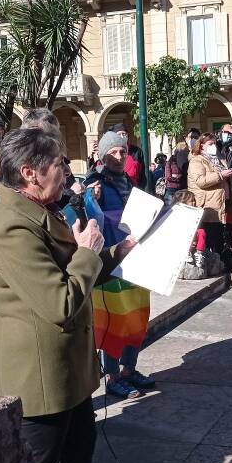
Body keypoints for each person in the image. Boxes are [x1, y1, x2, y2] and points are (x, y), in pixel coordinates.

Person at [0, 128, 133, 463]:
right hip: (39, 381)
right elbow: (60, 302)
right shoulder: (13, 227)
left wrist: (120, 252)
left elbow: (76, 276)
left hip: (70, 373)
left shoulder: (41, 209)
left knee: (79, 460)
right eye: (58, 165)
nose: (66, 172)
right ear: (29, 173)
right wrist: (86, 251)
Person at [87, 132, 154, 400]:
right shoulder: (95, 182)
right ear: (103, 156)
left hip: (136, 260)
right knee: (114, 322)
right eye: (113, 153)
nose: (118, 157)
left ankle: (129, 370)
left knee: (137, 318)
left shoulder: (129, 181)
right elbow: (90, 219)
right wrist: (93, 198)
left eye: (122, 152)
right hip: (112, 262)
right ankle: (113, 376)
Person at [188, 132, 232, 266]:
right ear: (201, 146)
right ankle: (209, 265)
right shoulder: (196, 160)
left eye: (215, 143)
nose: (214, 146)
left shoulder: (216, 159)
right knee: (210, 238)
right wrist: (220, 175)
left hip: (219, 204)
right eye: (210, 144)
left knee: (218, 238)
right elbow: (200, 181)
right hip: (207, 205)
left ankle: (217, 265)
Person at [110, 123, 146, 188]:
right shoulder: (110, 152)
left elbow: (142, 175)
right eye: (119, 134)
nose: (122, 136)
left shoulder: (136, 151)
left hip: (134, 191)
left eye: (124, 134)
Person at [162, 141, 189, 205]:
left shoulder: (185, 160)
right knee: (170, 207)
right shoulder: (170, 162)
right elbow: (168, 176)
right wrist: (178, 177)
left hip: (181, 188)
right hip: (171, 189)